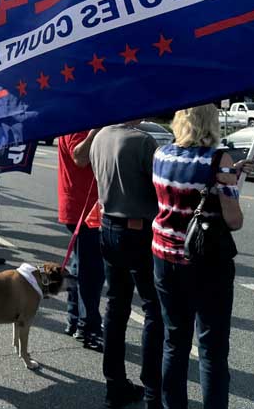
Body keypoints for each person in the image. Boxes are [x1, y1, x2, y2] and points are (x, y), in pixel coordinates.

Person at [152, 104, 246, 409]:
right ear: (210, 123)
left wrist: (231, 174)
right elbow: (233, 220)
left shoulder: (161, 154)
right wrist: (231, 179)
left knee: (174, 341)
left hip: (165, 255)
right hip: (206, 261)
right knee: (212, 349)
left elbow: (180, 191)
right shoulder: (219, 159)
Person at [90, 121, 162, 409]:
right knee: (154, 308)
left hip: (108, 225)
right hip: (138, 229)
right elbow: (161, 188)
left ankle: (114, 384)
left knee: (116, 305)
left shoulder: (101, 136)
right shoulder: (143, 142)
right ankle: (153, 388)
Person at [56, 128, 104, 350]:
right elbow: (80, 157)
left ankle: (75, 319)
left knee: (81, 267)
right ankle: (88, 327)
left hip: (85, 207)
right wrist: (96, 131)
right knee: (91, 272)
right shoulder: (79, 123)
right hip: (83, 209)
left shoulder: (79, 119)